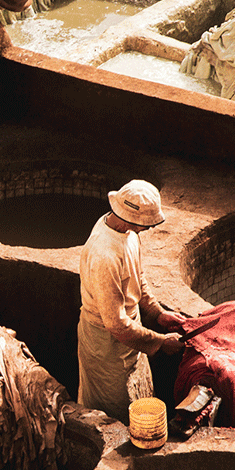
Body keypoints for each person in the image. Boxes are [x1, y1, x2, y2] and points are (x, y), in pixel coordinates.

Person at [78, 180, 184, 422]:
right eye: (146, 223)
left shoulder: (128, 233)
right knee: (114, 412)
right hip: (106, 345)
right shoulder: (105, 254)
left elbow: (138, 277)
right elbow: (115, 323)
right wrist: (160, 342)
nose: (148, 228)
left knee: (140, 400)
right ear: (130, 218)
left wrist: (157, 313)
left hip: (131, 333)